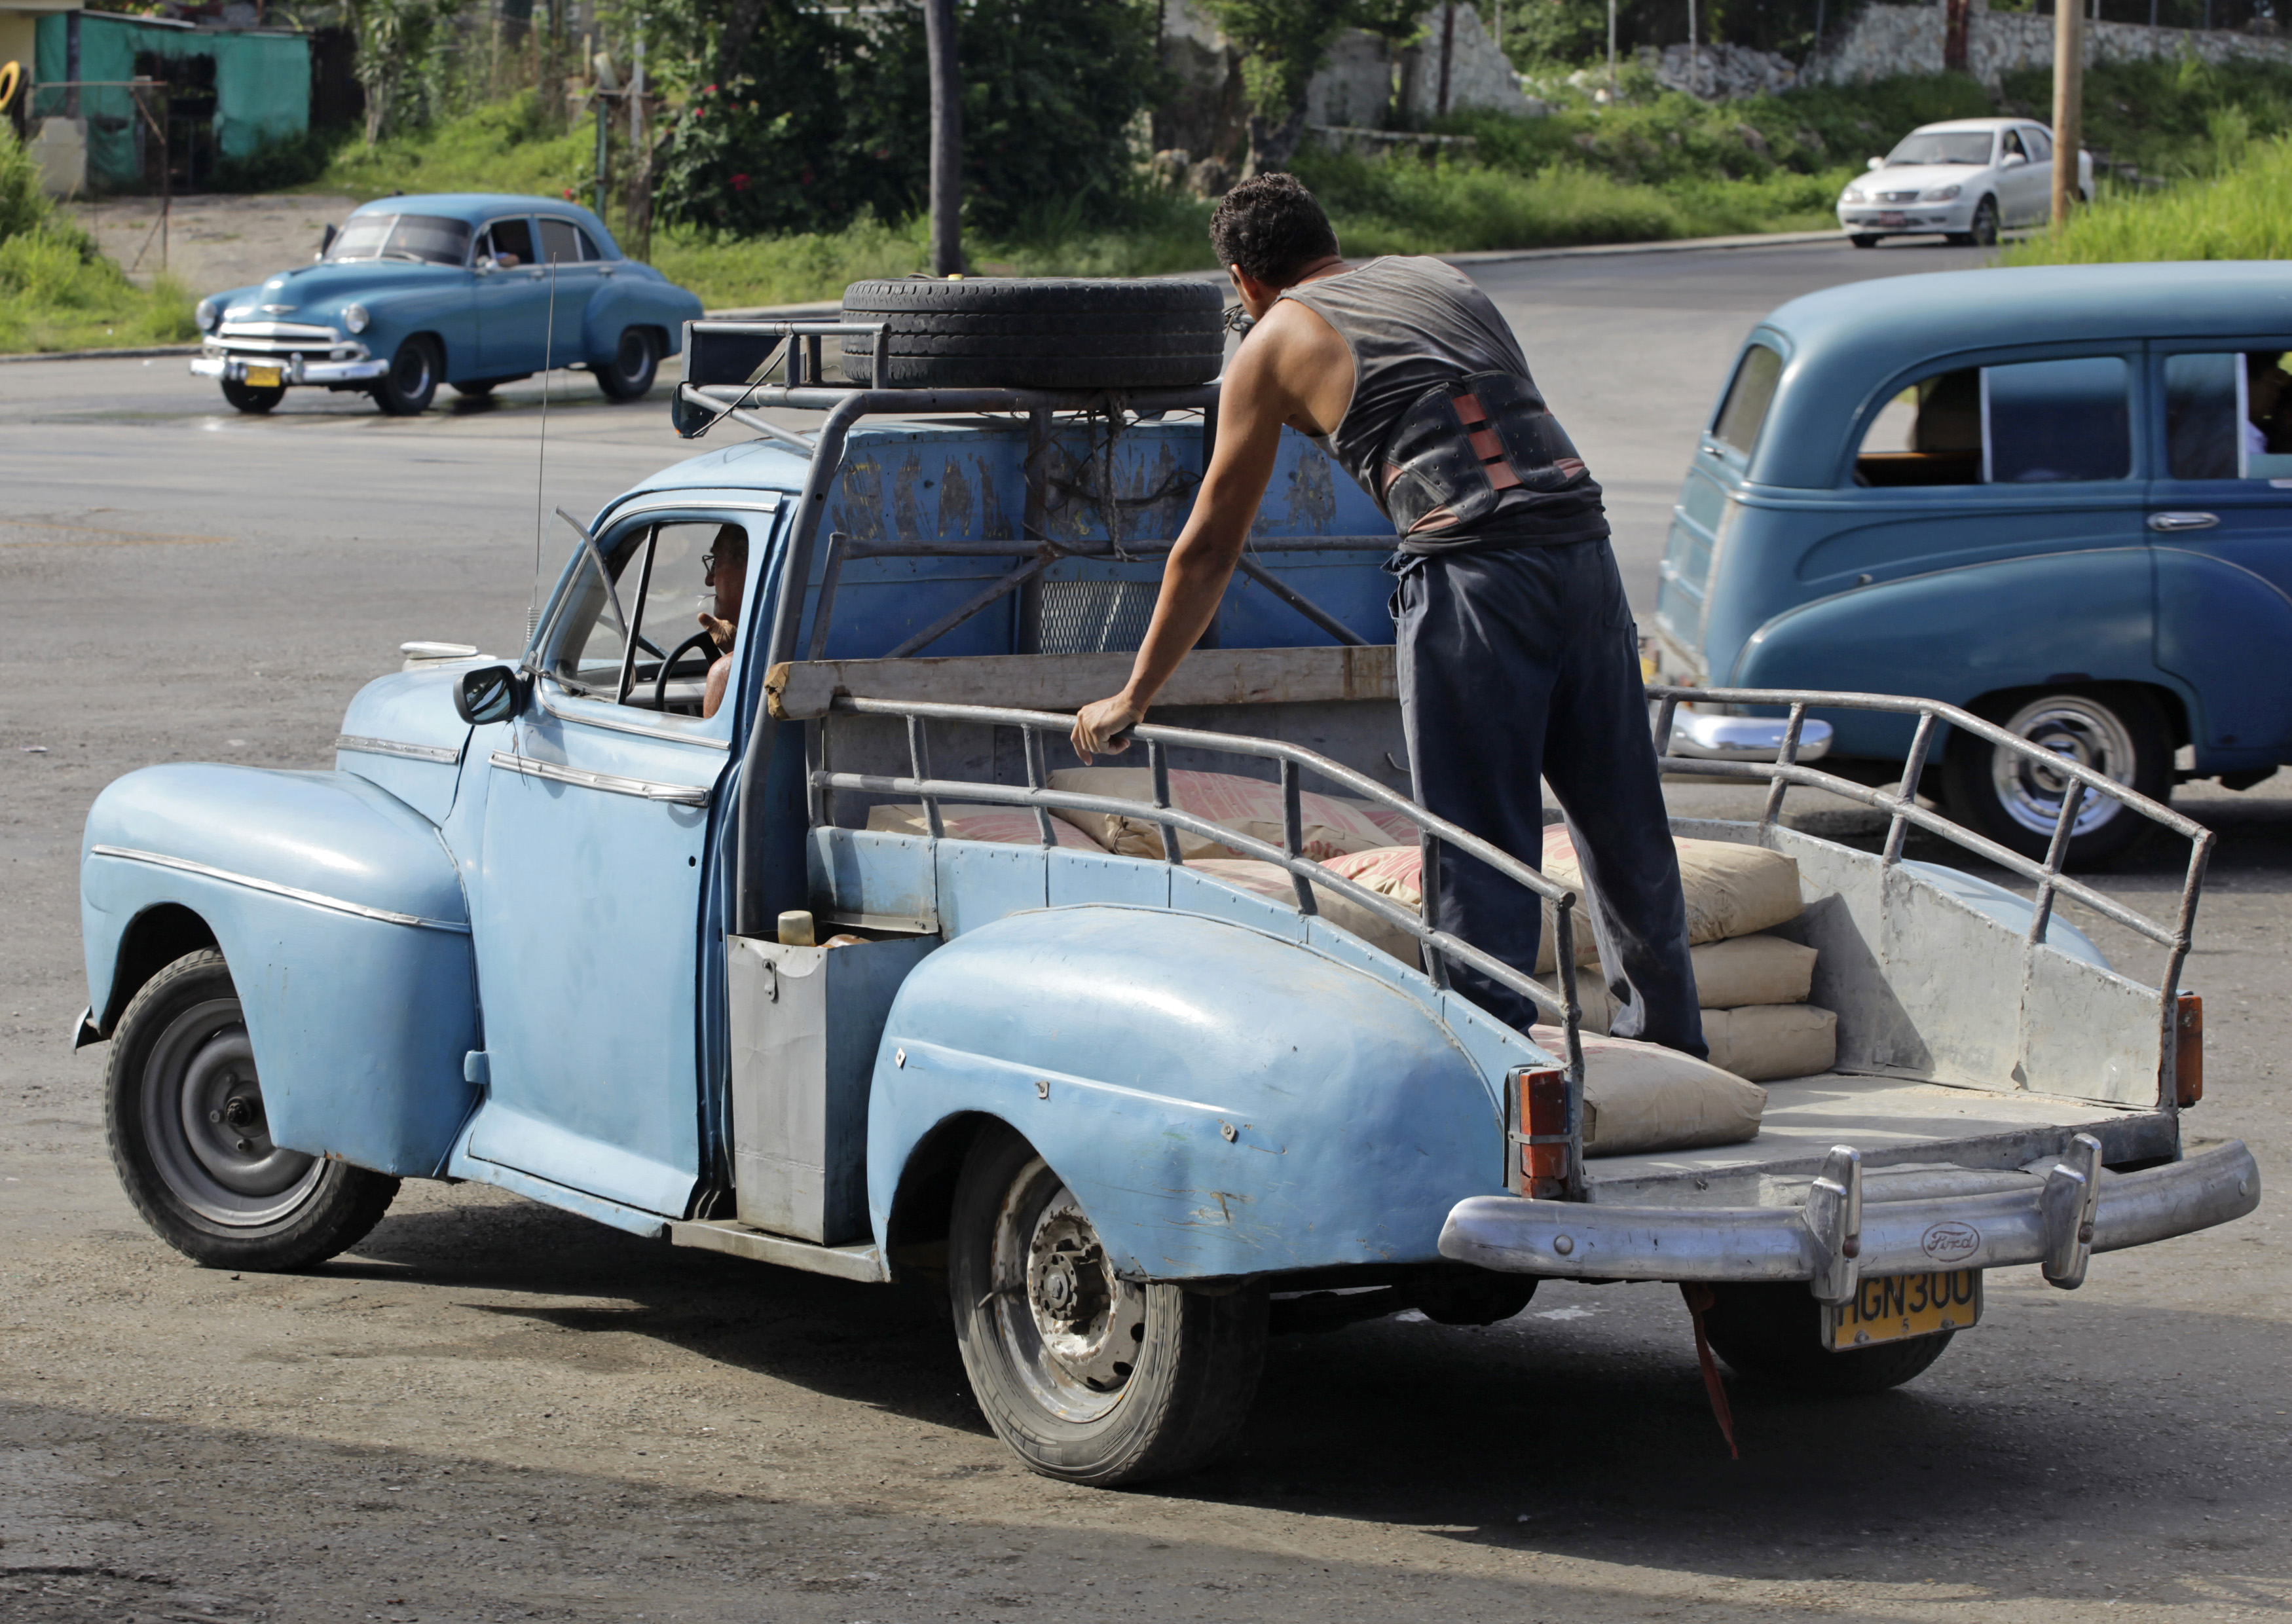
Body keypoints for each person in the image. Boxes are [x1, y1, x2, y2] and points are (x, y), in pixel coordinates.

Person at [1069, 173, 1703, 1052]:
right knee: (1623, 818)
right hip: (1584, 551)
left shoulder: (1272, 341)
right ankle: (1674, 1049)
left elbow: (1211, 546)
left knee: (1478, 841)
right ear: (1330, 242)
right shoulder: (1440, 278)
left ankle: (1496, 1072)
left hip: (1474, 577)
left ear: (1246, 283)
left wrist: (1132, 696)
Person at [699, 523, 747, 720]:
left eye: (715, 563)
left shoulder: (726, 674)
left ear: (751, 568)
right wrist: (738, 647)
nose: (709, 580)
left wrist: (734, 662)